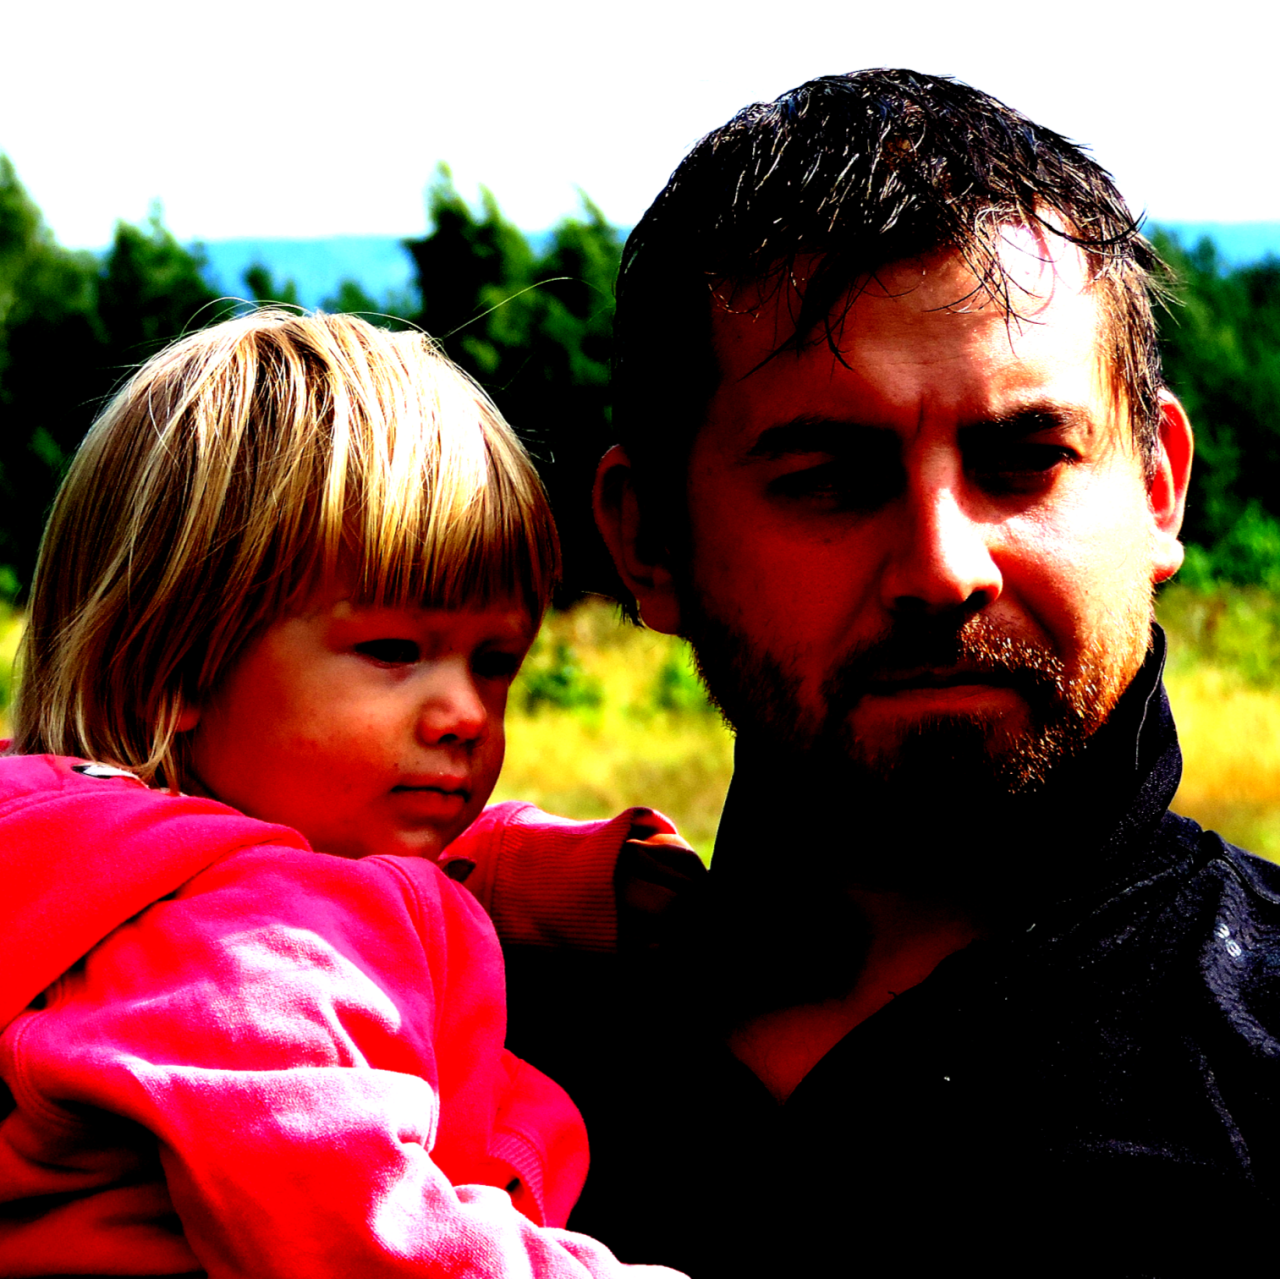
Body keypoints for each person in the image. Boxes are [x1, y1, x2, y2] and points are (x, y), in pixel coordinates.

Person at [494, 70, 1280, 1275]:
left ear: (1157, 486)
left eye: (1022, 460)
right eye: (826, 479)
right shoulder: (411, 1061)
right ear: (646, 539)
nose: (940, 568)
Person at [0, 311, 684, 1277]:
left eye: (495, 662)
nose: (466, 713)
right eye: (394, 650)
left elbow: (339, 869)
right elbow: (367, 1241)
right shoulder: (238, 948)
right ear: (177, 666)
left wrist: (530, 872)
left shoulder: (112, 862)